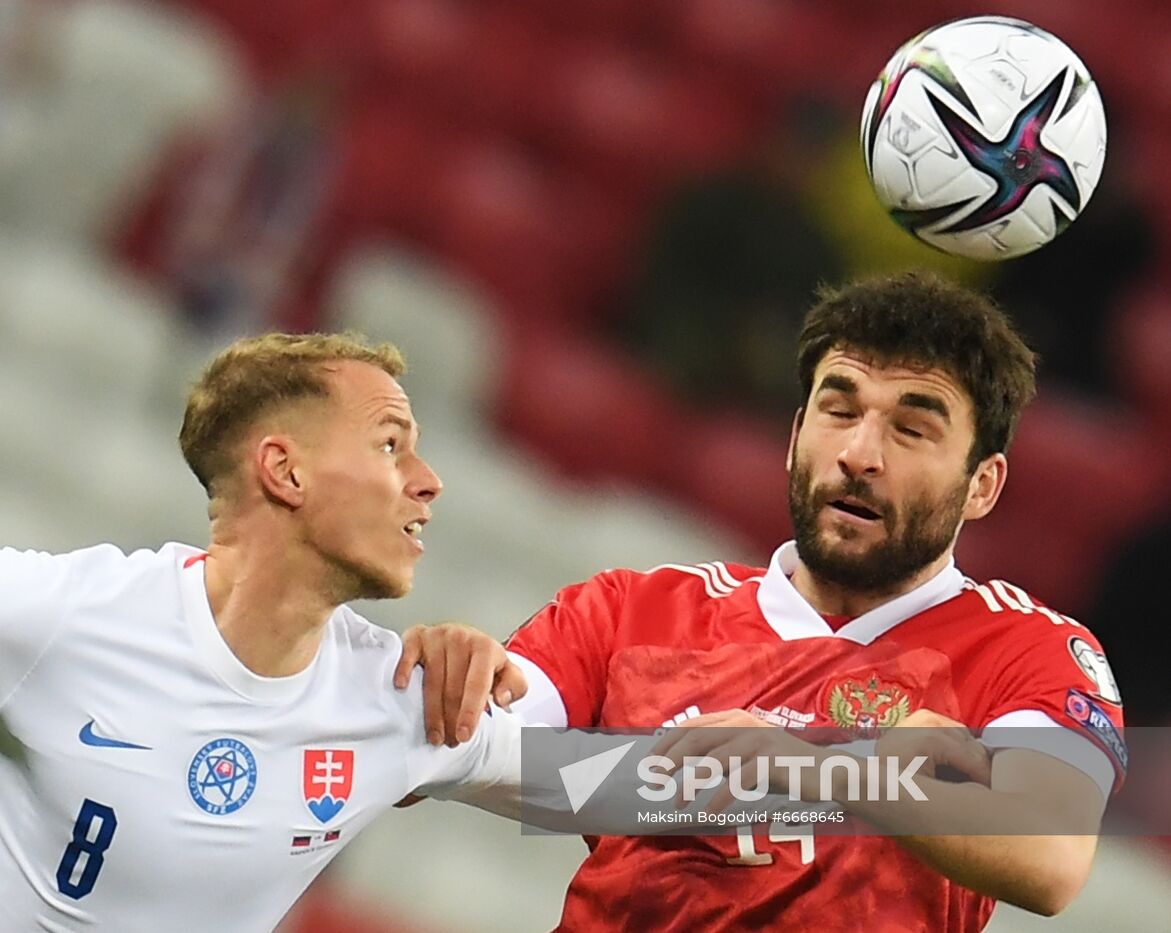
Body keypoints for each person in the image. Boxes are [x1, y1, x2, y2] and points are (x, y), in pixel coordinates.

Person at [402, 271, 1126, 931]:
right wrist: (440, 696)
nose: (859, 453)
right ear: (792, 438)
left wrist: (810, 762)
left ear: (982, 485)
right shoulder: (632, 610)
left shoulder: (1030, 651)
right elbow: (461, 752)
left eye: (910, 428)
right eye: (838, 410)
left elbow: (1049, 854)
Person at [0, 333, 529, 931]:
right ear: (285, 470)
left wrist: (662, 583)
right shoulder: (60, 616)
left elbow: (625, 789)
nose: (430, 481)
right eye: (389, 445)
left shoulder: (405, 697)